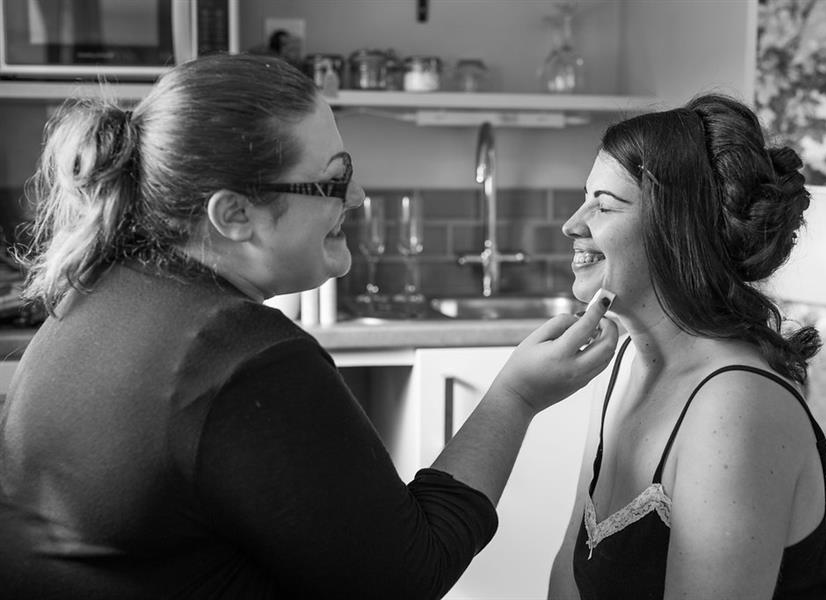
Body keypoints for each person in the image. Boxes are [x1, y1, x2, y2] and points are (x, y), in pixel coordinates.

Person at [0, 53, 619, 599]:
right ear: (235, 214)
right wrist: (514, 396)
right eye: (334, 180)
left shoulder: (97, 294)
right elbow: (407, 577)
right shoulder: (241, 359)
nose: (355, 200)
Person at [548, 94, 826, 599]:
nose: (572, 225)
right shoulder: (625, 364)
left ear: (675, 228)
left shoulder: (737, 409)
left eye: (604, 204)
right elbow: (568, 578)